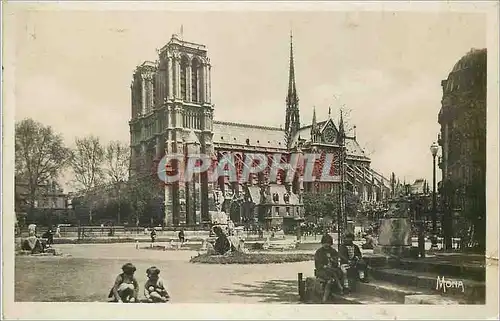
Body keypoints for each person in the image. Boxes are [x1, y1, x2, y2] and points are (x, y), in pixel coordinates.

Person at [314, 233, 344, 302]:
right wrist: (324, 266)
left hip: (332, 270)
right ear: (322, 243)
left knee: (338, 272)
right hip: (322, 271)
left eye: (328, 243)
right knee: (330, 280)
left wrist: (333, 261)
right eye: (325, 243)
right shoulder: (319, 252)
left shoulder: (333, 251)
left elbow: (337, 260)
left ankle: (340, 288)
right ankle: (339, 288)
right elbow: (317, 264)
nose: (327, 245)